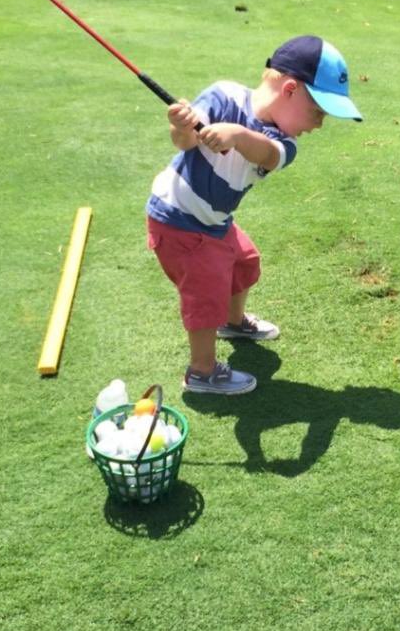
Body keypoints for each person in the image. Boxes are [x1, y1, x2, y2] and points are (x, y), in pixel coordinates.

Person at [146, 35, 362, 395]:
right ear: (290, 89)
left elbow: (267, 155)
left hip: (214, 221)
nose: (319, 125)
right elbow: (184, 142)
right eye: (318, 112)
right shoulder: (223, 95)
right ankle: (201, 371)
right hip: (179, 218)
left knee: (245, 262)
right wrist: (182, 125)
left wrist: (236, 135)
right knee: (206, 290)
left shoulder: (283, 141)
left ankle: (233, 323)